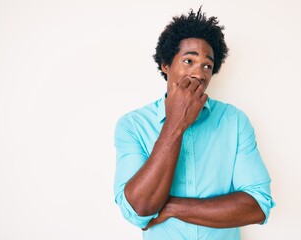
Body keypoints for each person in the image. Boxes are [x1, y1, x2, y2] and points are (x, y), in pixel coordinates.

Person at [113, 7, 275, 240]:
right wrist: (176, 123)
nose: (199, 74)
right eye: (189, 61)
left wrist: (172, 207)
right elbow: (138, 210)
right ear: (166, 65)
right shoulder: (133, 125)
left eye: (207, 66)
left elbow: (258, 205)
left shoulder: (234, 121)